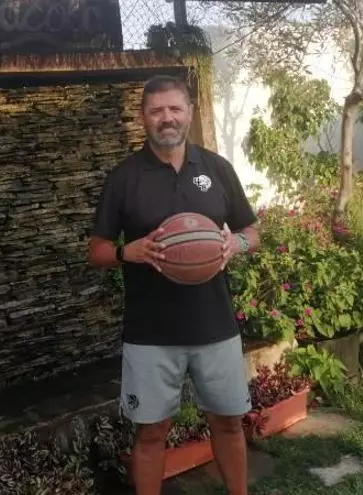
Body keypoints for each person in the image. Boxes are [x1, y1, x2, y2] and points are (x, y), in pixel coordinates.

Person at [87, 75, 260, 495]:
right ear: (143, 117)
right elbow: (97, 250)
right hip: (151, 332)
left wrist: (235, 244)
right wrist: (129, 251)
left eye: (175, 108)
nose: (167, 118)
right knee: (151, 432)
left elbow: (252, 231)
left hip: (215, 325)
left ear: (189, 112)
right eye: (156, 111)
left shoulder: (217, 169)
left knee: (228, 423)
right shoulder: (124, 177)